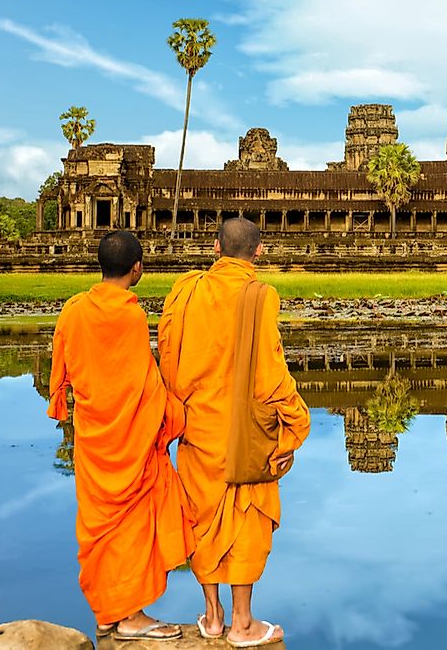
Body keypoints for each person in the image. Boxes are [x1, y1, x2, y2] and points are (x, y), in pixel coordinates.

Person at [158, 217, 310, 647]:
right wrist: (296, 423)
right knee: (245, 516)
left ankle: (211, 614)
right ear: (259, 251)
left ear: (215, 246)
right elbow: (270, 371)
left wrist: (178, 409)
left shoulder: (186, 290)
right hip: (243, 432)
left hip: (196, 424)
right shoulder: (260, 295)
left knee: (203, 515)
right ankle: (242, 622)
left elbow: (167, 354)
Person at [47, 230, 192, 641]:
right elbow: (142, 384)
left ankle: (109, 612)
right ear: (137, 268)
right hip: (129, 441)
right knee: (129, 526)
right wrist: (175, 413)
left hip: (93, 438)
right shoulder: (130, 316)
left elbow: (65, 370)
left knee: (101, 526)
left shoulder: (74, 310)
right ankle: (129, 616)